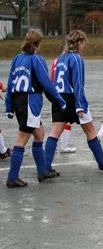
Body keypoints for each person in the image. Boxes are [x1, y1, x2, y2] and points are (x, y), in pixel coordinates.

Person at [45, 30, 103, 174]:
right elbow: (78, 83)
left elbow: (51, 80)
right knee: (90, 131)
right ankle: (102, 163)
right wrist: (80, 105)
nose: (84, 46)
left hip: (59, 98)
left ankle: (45, 167)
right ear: (79, 43)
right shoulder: (76, 58)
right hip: (73, 97)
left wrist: (55, 99)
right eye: (83, 43)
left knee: (54, 133)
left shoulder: (58, 59)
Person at [4, 31, 67, 187]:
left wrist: (9, 106)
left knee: (39, 134)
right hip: (29, 102)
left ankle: (42, 171)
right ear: (38, 44)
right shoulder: (36, 59)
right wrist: (60, 101)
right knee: (22, 138)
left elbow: (11, 83)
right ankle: (12, 178)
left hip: (19, 101)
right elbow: (46, 84)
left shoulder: (17, 58)